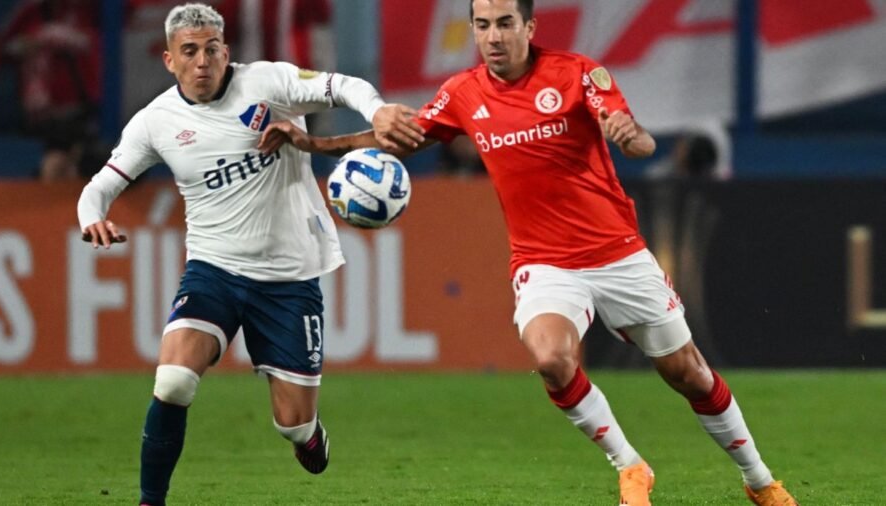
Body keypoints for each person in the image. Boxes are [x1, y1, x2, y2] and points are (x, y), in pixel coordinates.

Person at [258, 1, 799, 504]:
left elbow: (641, 144)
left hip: (617, 253)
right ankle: (631, 466)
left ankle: (759, 481)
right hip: (544, 263)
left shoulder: (577, 73)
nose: (493, 36)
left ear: (529, 27)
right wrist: (314, 144)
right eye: (482, 25)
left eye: (504, 24)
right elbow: (401, 138)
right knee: (551, 359)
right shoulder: (463, 92)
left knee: (689, 374)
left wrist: (627, 133)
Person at [75, 3, 420, 505]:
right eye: (188, 51)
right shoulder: (154, 123)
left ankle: (308, 433)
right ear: (169, 60)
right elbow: (99, 187)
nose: (201, 61)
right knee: (173, 381)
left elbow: (342, 85)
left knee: (293, 424)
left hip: (289, 278)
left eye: (210, 49)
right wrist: (92, 217)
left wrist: (377, 110)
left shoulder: (268, 83)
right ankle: (151, 500)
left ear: (226, 51)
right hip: (213, 271)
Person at [3, 0, 102, 182]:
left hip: (79, 107)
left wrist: (63, 37)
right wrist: (33, 41)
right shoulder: (30, 12)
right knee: (53, 162)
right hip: (40, 110)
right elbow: (7, 48)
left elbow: (99, 44)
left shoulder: (87, 10)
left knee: (78, 162)